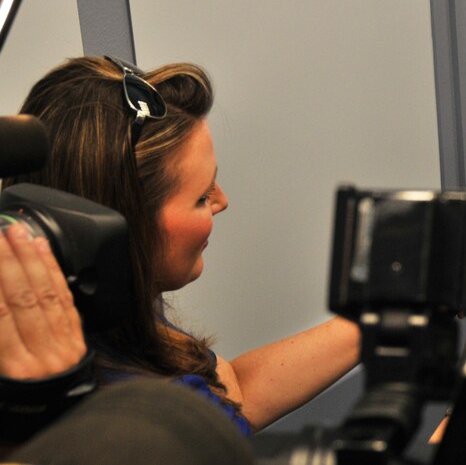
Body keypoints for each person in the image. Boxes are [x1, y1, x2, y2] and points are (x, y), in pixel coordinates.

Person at [2, 56, 361, 436]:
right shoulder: (140, 424)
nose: (221, 201)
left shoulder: (104, 320)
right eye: (201, 196)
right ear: (127, 226)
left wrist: (378, 324)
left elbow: (231, 391)